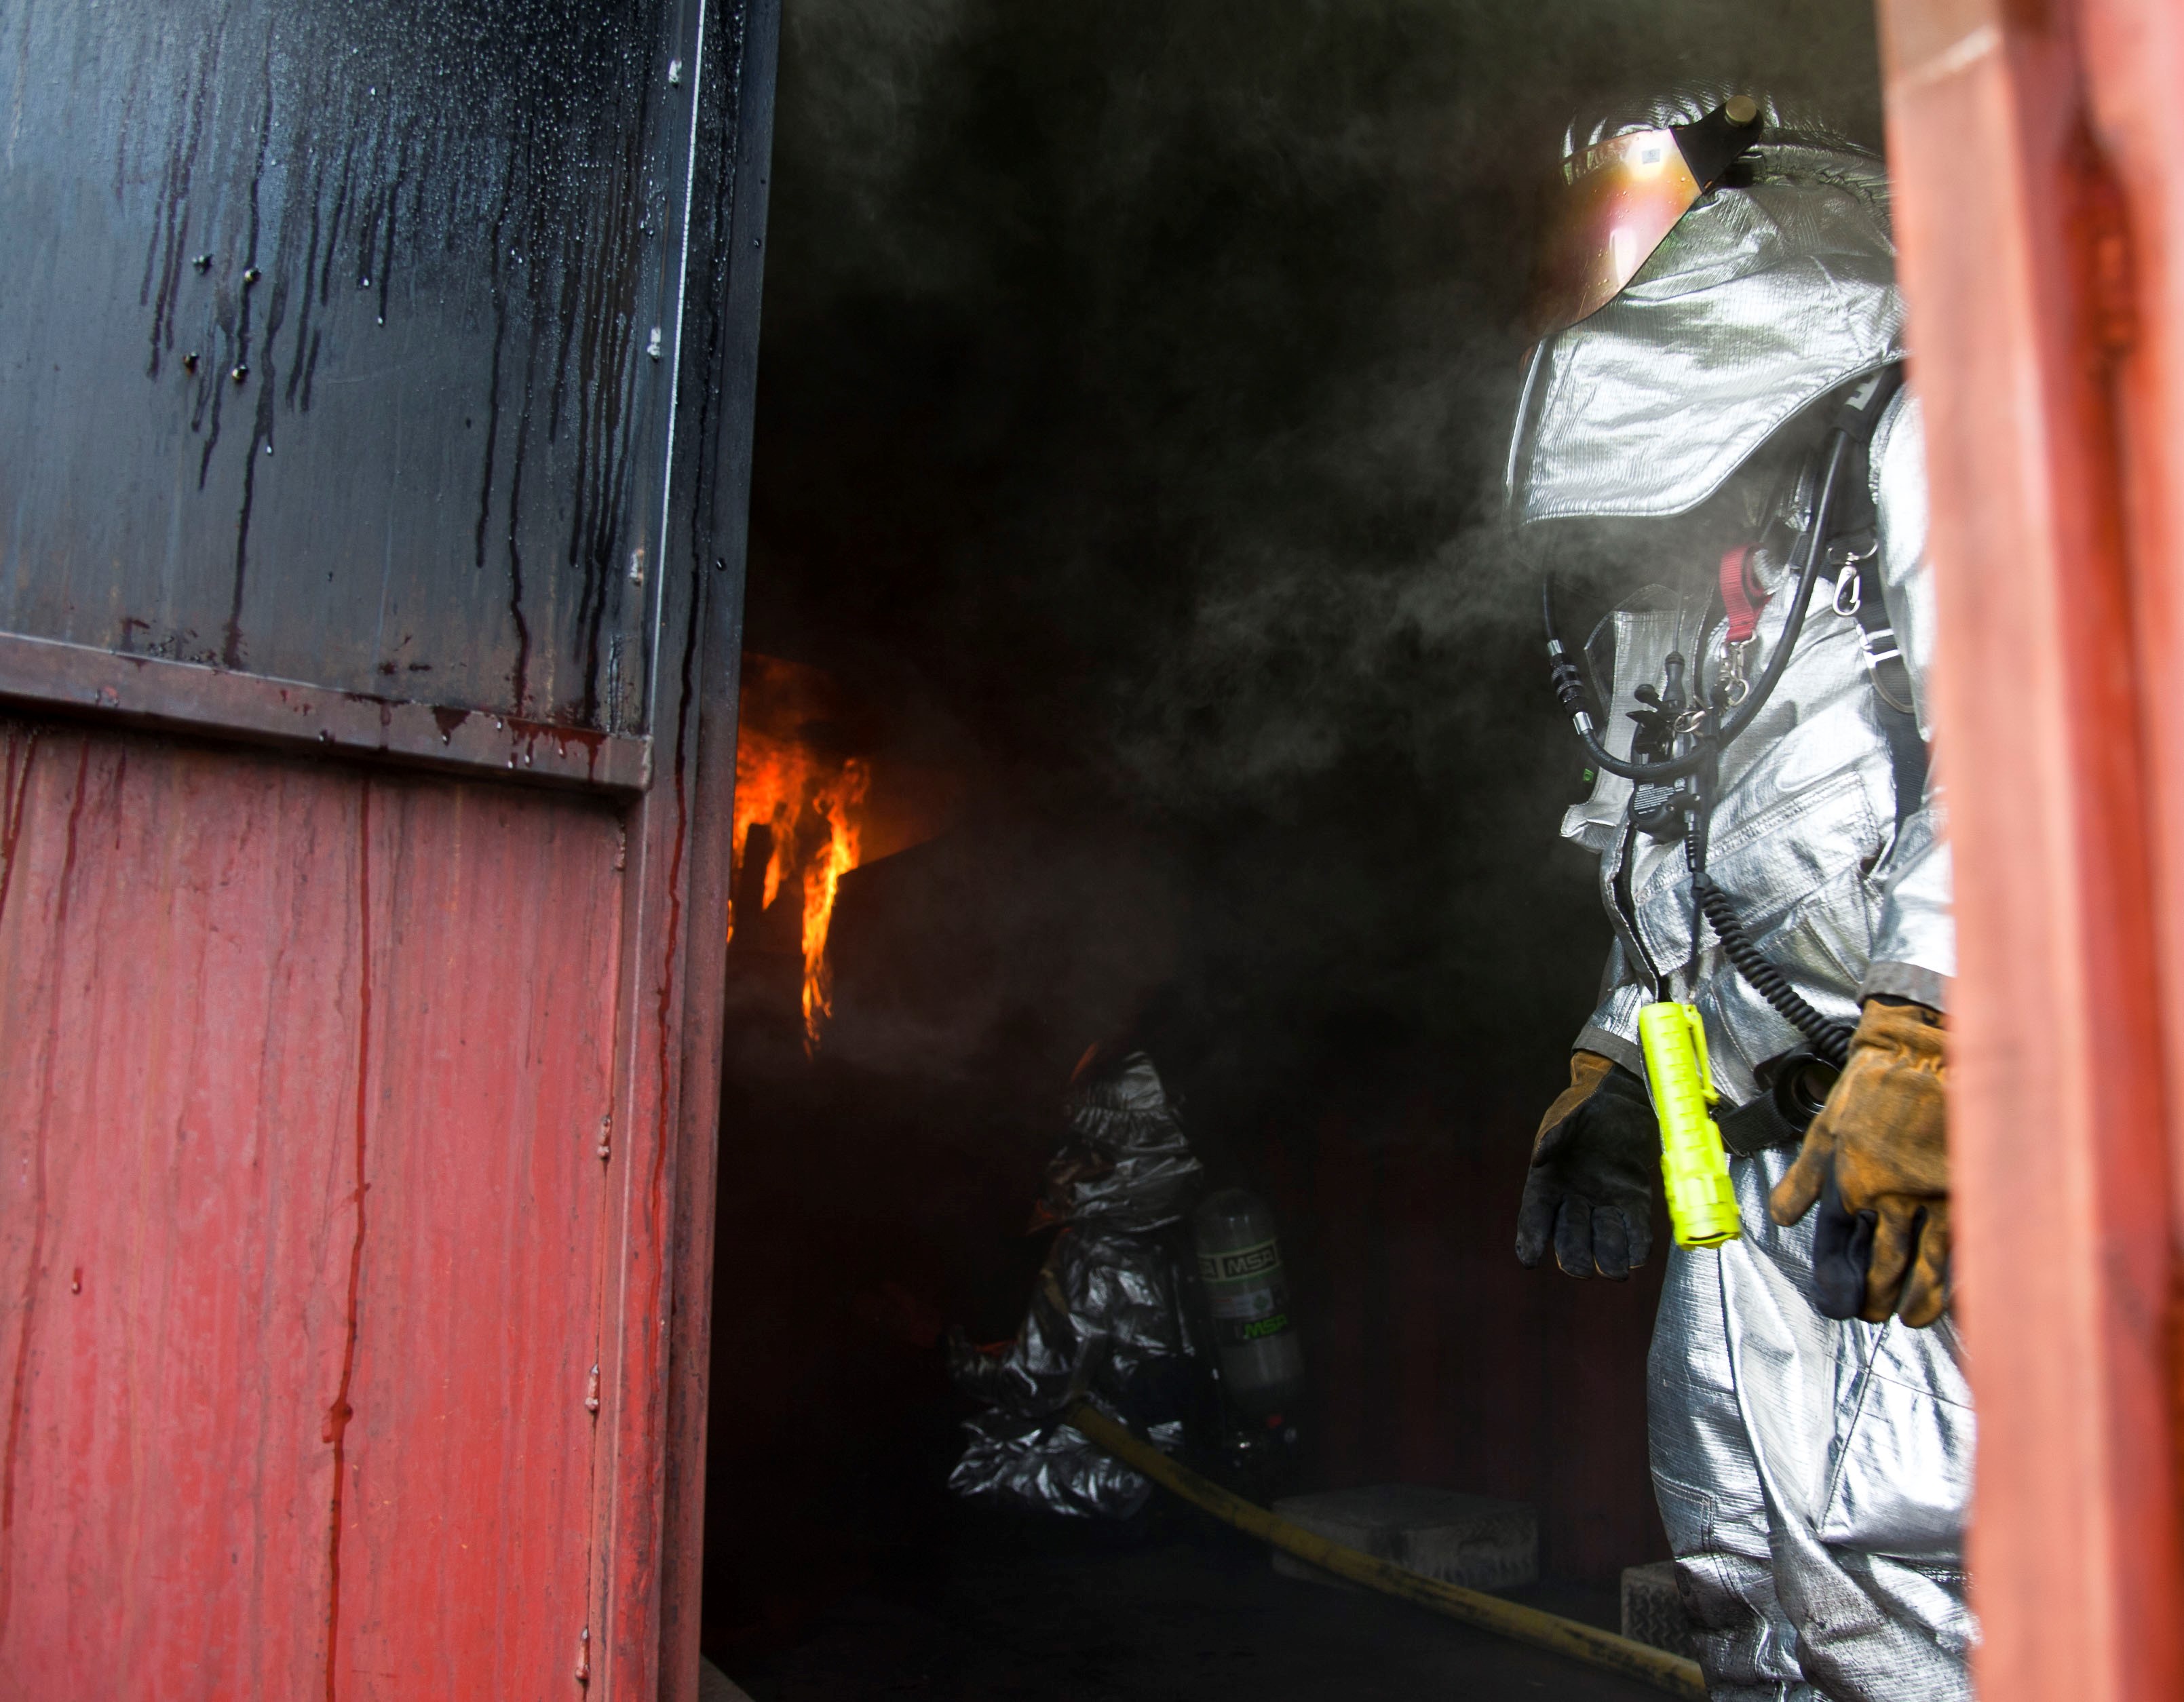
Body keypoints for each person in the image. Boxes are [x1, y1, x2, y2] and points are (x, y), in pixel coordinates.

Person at [1503, 91, 1972, 1701]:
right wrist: (1613, 1058)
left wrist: (1927, 1029)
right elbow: (1652, 845)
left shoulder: (1913, 457)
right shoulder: (1676, 564)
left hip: (1908, 1142)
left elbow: (2019, 748)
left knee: (1906, 1553)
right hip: (1732, 1154)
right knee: (1728, 1529)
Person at [944, 1030, 1207, 1519]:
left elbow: (1036, 1387)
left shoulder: (1092, 1247)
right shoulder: (1195, 1211)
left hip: (1135, 1473)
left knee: (971, 1459)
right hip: (1204, 1454)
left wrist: (955, 1358)